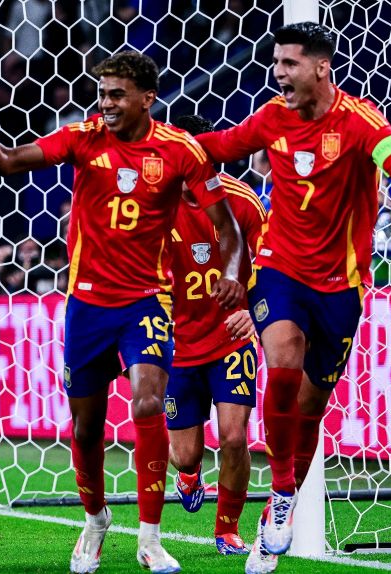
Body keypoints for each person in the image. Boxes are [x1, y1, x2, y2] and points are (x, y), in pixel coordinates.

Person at [0, 50, 245, 574]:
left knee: (147, 402)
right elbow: (6, 163)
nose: (106, 103)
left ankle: (151, 539)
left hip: (147, 299)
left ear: (147, 98)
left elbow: (227, 226)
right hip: (88, 304)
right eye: (102, 93)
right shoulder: (82, 138)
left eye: (117, 94)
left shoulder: (180, 149)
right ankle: (95, 520)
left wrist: (230, 274)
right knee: (86, 429)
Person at [193, 22, 391, 570]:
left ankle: (279, 508)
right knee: (281, 364)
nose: (278, 73)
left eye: (289, 63)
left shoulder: (361, 120)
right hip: (279, 270)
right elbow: (220, 145)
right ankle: (281, 493)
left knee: (309, 409)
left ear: (321, 67)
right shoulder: (271, 117)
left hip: (341, 285)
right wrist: (153, 145)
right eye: (275, 62)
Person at [164, 115, 265, 556]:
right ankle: (189, 476)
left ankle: (227, 529)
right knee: (185, 454)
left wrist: (255, 317)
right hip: (177, 345)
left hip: (231, 340)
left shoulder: (243, 203)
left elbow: (271, 266)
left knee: (234, 437)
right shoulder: (157, 205)